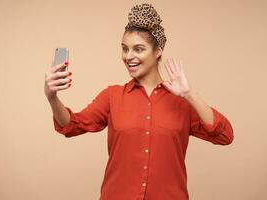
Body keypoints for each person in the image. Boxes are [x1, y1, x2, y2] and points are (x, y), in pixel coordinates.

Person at [44, 3, 234, 200]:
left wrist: (189, 94)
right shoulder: (112, 96)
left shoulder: (182, 103)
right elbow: (72, 125)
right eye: (125, 49)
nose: (129, 56)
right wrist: (52, 97)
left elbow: (224, 136)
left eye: (138, 49)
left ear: (158, 50)